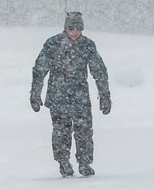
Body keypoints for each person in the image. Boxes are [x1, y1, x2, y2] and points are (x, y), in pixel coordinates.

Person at [30, 11, 111, 178]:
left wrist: (104, 95)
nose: (75, 32)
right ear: (66, 28)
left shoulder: (87, 45)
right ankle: (63, 162)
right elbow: (40, 69)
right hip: (58, 95)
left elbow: (99, 71)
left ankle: (84, 163)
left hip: (80, 96)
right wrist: (35, 93)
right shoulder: (53, 43)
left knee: (84, 132)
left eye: (79, 29)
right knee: (61, 132)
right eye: (71, 28)